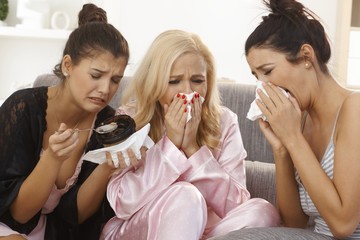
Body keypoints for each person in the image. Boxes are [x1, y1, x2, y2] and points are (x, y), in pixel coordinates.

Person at [100, 29, 280, 240]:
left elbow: (237, 205)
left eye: (197, 80)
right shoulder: (131, 119)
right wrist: (172, 146)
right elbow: (123, 203)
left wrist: (194, 149)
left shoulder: (225, 121)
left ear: (208, 81)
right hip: (139, 230)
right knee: (184, 195)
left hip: (207, 232)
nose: (187, 93)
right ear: (155, 83)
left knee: (263, 211)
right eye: (174, 81)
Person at [215, 0, 360, 239]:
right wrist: (282, 149)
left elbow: (343, 225)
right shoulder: (301, 121)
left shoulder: (354, 109)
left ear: (306, 56)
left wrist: (292, 139)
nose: (264, 86)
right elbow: (293, 223)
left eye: (268, 71)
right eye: (257, 76)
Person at [0, 3, 130, 239]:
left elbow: (75, 217)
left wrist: (108, 166)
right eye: (96, 75)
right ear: (68, 65)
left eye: (115, 80)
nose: (105, 89)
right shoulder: (23, 109)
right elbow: (18, 214)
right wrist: (52, 158)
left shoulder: (107, 123)